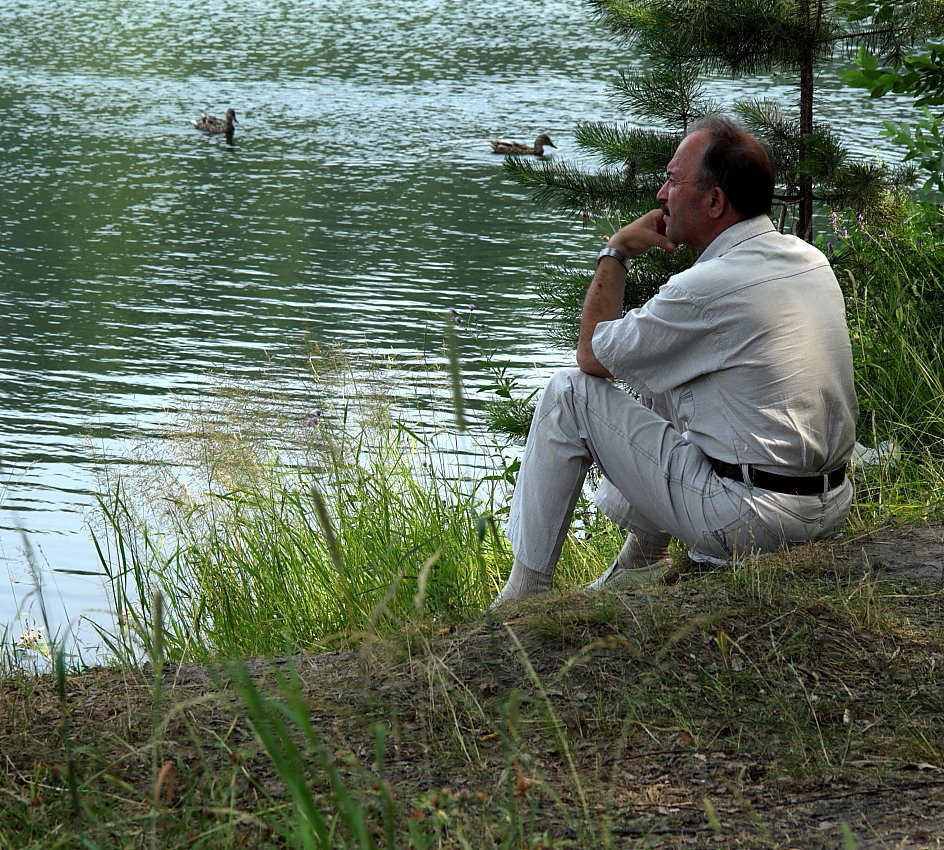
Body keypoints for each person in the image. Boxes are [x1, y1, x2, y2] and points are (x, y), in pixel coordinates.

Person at [490, 115, 857, 608]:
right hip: (829, 505)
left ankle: (523, 598)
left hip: (752, 522)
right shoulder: (808, 258)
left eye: (672, 180)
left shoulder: (706, 288)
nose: (662, 194)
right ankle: (638, 564)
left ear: (713, 202)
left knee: (569, 393)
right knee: (661, 370)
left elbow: (591, 356)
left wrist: (616, 250)